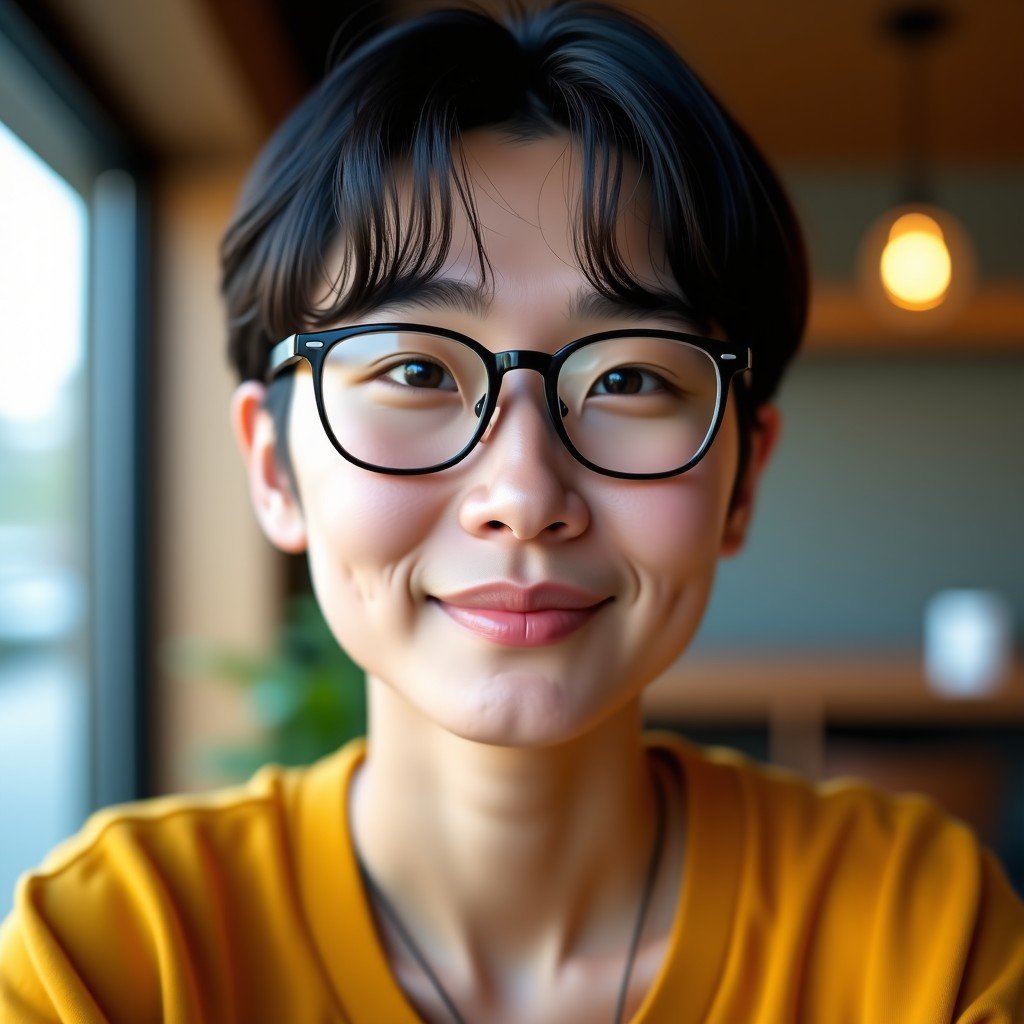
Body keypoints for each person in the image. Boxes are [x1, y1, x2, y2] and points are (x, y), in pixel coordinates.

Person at [2, 2, 1023, 1021]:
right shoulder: (117, 956)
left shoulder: (917, 939)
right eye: (413, 367)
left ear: (741, 481)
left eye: (626, 379)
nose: (525, 497)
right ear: (275, 468)